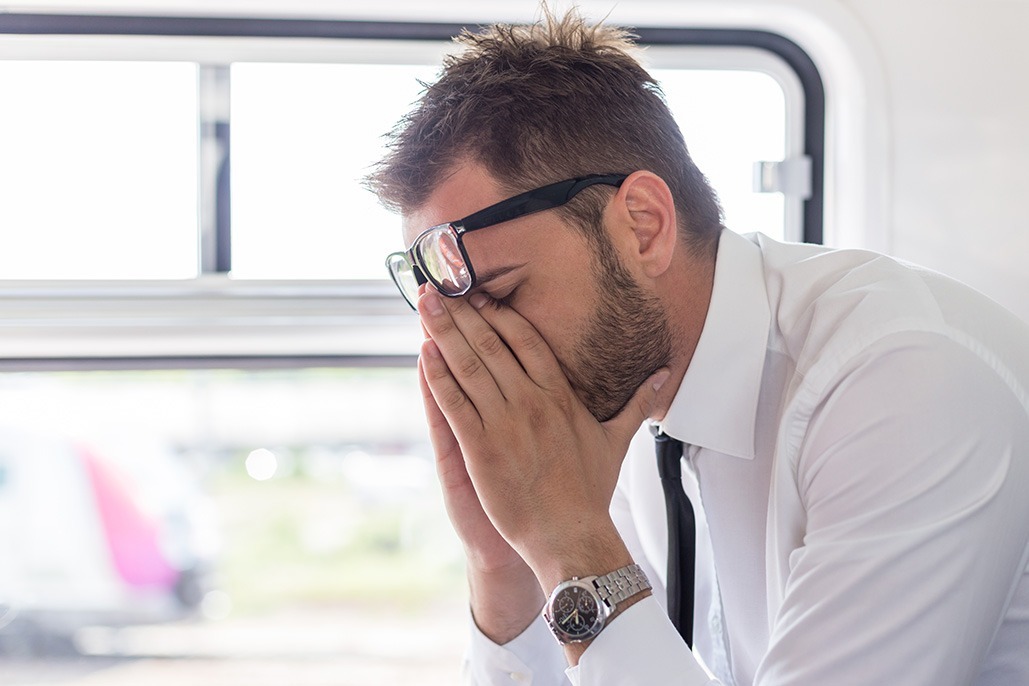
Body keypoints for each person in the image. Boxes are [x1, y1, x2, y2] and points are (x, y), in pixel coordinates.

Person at [366, 9, 1029, 685]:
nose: (489, 357)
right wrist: (505, 568)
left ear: (643, 225)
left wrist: (571, 548)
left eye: (503, 296)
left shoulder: (901, 379)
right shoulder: (620, 400)